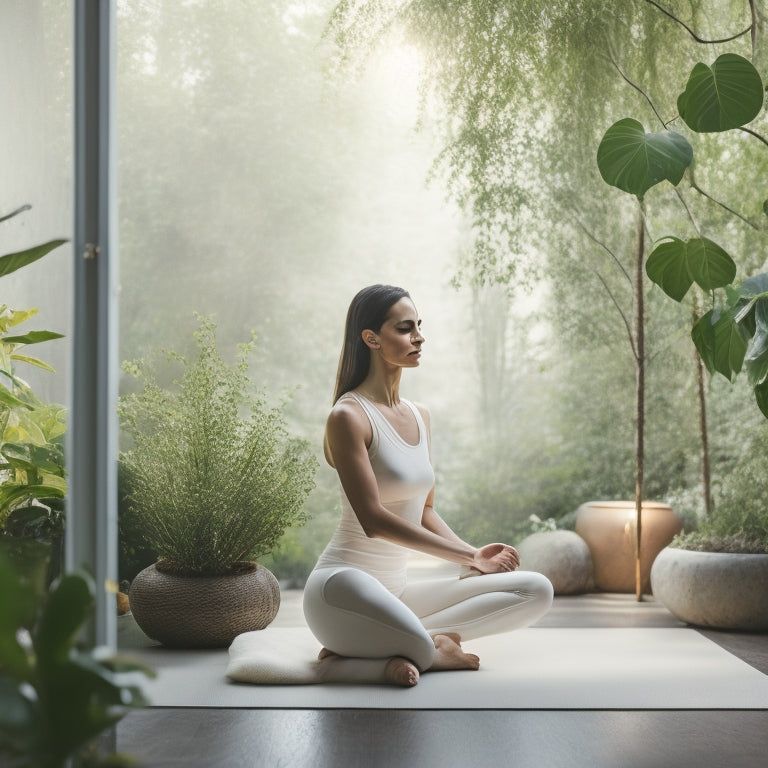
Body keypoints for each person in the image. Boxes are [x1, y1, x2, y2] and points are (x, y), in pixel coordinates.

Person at [303, 284, 553, 687]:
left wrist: (469, 562)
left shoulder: (421, 416)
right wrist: (473, 555)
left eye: (419, 326)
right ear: (371, 339)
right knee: (415, 646)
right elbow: (374, 521)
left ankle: (380, 648)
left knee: (536, 591)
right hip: (340, 589)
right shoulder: (348, 416)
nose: (419, 336)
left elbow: (425, 511)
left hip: (398, 594)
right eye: (405, 328)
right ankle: (415, 649)